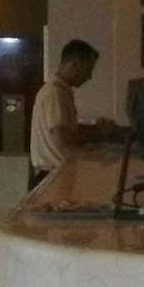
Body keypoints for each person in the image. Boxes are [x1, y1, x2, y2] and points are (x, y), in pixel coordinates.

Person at [28, 38, 120, 188]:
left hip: (53, 174)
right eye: (88, 69)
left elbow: (67, 128)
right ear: (75, 64)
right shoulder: (55, 92)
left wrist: (96, 129)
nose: (89, 76)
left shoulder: (59, 90)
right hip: (51, 176)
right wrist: (100, 132)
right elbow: (63, 138)